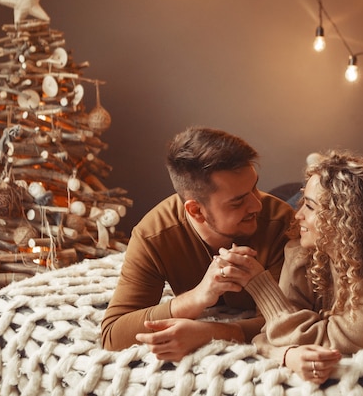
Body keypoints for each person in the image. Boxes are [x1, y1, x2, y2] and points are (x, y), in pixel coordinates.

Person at [222, 150, 363, 384]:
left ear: (345, 219)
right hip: (348, 248)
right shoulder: (302, 254)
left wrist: (260, 285)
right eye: (303, 202)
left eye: (310, 207)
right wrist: (287, 355)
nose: (298, 216)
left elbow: (325, 340)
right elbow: (272, 332)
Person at [100, 126, 295, 361]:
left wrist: (211, 332)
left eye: (255, 186)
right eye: (238, 202)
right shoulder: (152, 235)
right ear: (196, 210)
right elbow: (112, 334)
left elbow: (286, 322)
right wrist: (198, 297)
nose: (256, 204)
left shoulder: (281, 222)